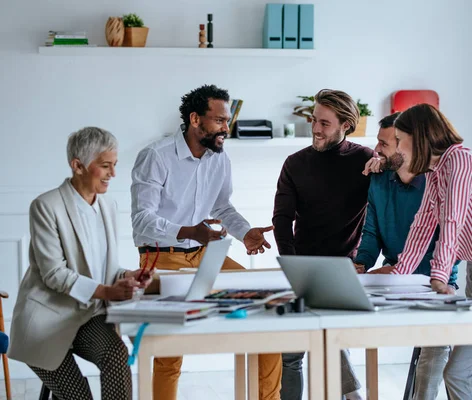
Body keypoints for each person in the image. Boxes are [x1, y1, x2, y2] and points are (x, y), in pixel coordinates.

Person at [367, 104, 472, 400]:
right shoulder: (435, 171)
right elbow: (423, 226)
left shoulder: (461, 162)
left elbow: (451, 222)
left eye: (402, 140)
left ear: (419, 138)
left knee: (458, 374)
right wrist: (400, 276)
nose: (400, 148)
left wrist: (439, 276)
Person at [130, 84, 282, 400]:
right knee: (169, 349)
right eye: (220, 121)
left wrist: (245, 232)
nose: (227, 128)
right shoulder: (155, 156)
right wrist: (188, 231)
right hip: (161, 258)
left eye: (228, 121)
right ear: (195, 119)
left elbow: (222, 207)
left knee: (268, 312)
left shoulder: (219, 158)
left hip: (204, 256)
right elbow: (142, 220)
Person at [8, 127, 152, 400]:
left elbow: (104, 269)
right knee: (79, 396)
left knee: (117, 356)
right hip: (45, 322)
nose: (113, 174)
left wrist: (128, 275)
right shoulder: (45, 206)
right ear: (78, 166)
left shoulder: (108, 206)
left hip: (88, 318)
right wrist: (107, 291)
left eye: (115, 165)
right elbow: (54, 274)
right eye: (105, 165)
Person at [273, 89, 374, 400]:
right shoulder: (295, 163)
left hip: (345, 267)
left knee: (325, 334)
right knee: (291, 354)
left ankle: (351, 395)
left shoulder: (365, 161)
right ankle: (352, 395)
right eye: (314, 120)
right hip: (301, 264)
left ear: (345, 125)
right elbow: (281, 219)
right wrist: (292, 267)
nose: (315, 128)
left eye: (325, 123)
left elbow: (380, 213)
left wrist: (367, 260)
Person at [355, 113, 459, 400]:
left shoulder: (436, 182)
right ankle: (351, 393)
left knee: (436, 340)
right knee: (330, 317)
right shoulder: (379, 181)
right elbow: (372, 232)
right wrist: (361, 263)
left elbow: (452, 242)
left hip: (436, 280)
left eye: (386, 143)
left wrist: (409, 272)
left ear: (407, 146)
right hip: (393, 276)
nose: (377, 149)